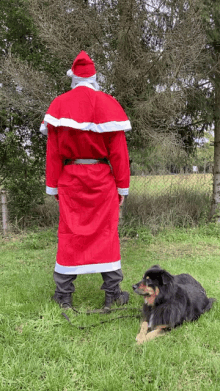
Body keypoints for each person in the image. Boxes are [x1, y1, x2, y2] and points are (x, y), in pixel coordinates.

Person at [40, 51, 131, 309]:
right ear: (94, 77)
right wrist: (122, 186)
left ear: (73, 78)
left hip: (71, 179)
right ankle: (112, 295)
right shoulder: (108, 103)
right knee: (106, 234)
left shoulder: (59, 104)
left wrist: (54, 185)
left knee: (70, 234)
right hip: (102, 180)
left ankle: (64, 296)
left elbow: (54, 152)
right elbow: (119, 154)